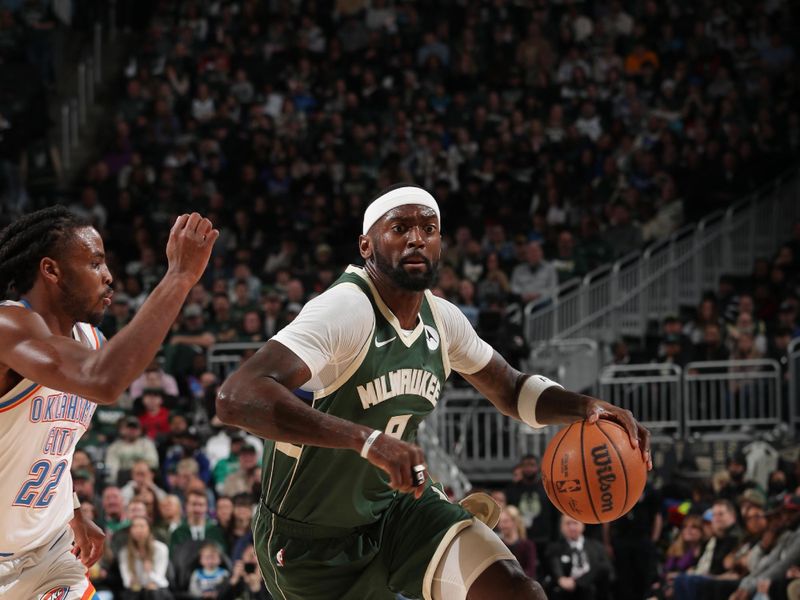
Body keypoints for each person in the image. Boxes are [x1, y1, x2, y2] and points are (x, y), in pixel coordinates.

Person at [217, 184, 650, 600]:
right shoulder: (346, 309)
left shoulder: (442, 319)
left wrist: (584, 406)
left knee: (517, 590)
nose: (417, 239)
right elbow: (236, 397)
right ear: (366, 246)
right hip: (311, 541)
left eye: (429, 229)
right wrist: (367, 441)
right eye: (400, 228)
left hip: (396, 513)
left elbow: (513, 390)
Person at [0, 207, 217, 599]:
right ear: (51, 270)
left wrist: (74, 511)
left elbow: (51, 444)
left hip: (48, 548)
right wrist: (179, 277)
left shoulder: (91, 342)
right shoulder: (8, 328)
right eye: (95, 263)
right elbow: (104, 381)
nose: (108, 276)